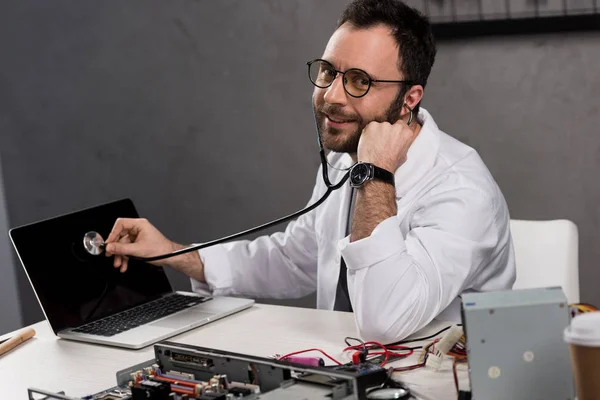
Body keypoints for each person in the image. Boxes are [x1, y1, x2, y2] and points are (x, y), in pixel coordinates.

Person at [104, 0, 515, 343]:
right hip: (345, 370)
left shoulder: (462, 190)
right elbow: (297, 258)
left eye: (359, 81)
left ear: (409, 98)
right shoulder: (344, 157)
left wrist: (377, 174)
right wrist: (177, 254)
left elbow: (385, 321)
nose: (331, 97)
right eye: (328, 72)